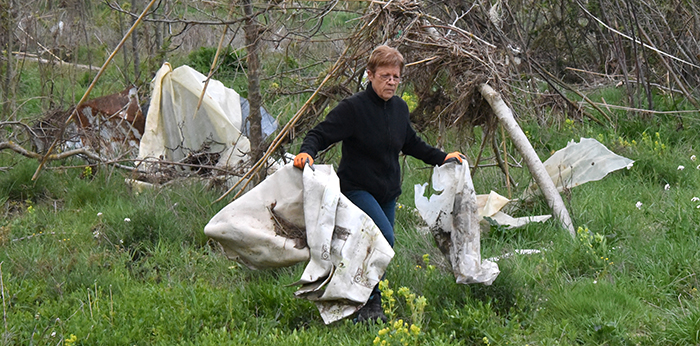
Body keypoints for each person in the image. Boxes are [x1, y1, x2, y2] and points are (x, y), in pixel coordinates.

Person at [293, 45, 465, 323]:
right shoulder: (353, 108)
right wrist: (307, 152)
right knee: (384, 239)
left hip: (388, 194)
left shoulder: (399, 108)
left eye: (396, 77)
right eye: (385, 76)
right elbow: (321, 133)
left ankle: (364, 300)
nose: (391, 82)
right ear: (370, 75)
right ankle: (369, 304)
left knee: (375, 247)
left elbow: (411, 143)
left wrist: (442, 157)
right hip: (357, 189)